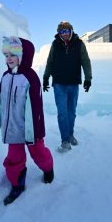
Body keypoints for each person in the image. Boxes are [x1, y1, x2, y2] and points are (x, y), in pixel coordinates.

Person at [0, 36, 54, 205]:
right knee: (13, 158)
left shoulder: (30, 77)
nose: (8, 58)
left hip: (32, 129)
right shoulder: (5, 76)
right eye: (6, 55)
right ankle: (17, 184)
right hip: (12, 130)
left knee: (38, 153)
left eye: (13, 54)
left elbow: (35, 107)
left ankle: (48, 168)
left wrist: (33, 133)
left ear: (24, 55)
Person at [43, 21, 92, 153]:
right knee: (62, 113)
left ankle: (70, 134)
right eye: (62, 31)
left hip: (74, 84)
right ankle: (65, 140)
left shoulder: (79, 43)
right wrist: (46, 78)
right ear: (59, 33)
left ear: (71, 31)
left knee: (72, 112)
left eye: (66, 31)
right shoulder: (55, 44)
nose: (64, 34)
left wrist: (88, 78)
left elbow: (85, 61)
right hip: (59, 84)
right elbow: (50, 61)